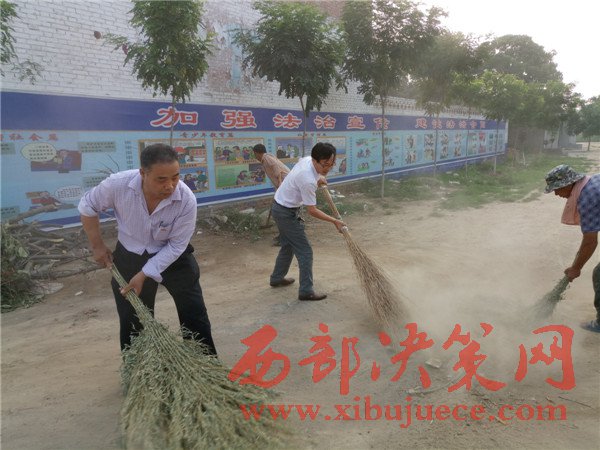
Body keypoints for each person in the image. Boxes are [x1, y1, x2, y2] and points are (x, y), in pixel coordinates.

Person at [78, 143, 217, 354]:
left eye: (175, 177)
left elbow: (177, 245)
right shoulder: (117, 185)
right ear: (143, 173)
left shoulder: (186, 199)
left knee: (193, 310)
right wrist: (97, 246)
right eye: (161, 179)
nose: (170, 186)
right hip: (130, 253)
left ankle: (204, 362)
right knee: (133, 316)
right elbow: (87, 206)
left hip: (172, 255)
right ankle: (140, 366)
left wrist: (144, 274)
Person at [269, 142, 346, 301]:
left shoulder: (306, 161)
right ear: (315, 160)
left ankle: (276, 278)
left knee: (288, 246)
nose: (327, 168)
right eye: (324, 165)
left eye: (331, 165)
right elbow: (312, 210)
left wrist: (320, 176)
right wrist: (335, 221)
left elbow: (315, 174)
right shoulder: (307, 179)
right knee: (305, 251)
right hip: (285, 212)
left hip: (280, 206)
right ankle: (306, 291)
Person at [545, 164, 600, 333]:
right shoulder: (593, 181)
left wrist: (576, 268)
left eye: (557, 188)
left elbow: (590, 241)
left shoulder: (587, 198)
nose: (556, 193)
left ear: (568, 184)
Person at [253, 143, 291, 246]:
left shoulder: (267, 158)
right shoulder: (266, 158)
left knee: (281, 213)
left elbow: (277, 170)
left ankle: (285, 238)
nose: (255, 157)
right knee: (279, 212)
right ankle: (283, 235)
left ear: (257, 153)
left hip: (286, 186)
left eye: (255, 154)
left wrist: (280, 187)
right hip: (284, 186)